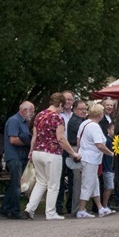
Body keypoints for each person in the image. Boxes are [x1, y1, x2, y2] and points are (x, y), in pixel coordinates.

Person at [25, 92, 81, 220]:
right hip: (52, 153)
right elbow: (60, 138)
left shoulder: (39, 115)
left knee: (41, 182)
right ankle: (50, 213)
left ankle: (30, 208)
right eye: (62, 106)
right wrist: (73, 153)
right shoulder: (57, 118)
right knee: (53, 184)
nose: (62, 109)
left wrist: (31, 151)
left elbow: (34, 136)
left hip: (37, 152)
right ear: (60, 104)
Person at [75, 104, 114, 218]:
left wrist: (79, 153)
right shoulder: (94, 126)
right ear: (100, 114)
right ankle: (81, 210)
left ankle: (100, 208)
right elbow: (99, 145)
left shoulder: (84, 123)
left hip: (86, 157)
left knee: (94, 183)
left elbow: (78, 141)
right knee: (88, 184)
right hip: (90, 158)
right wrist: (111, 153)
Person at [0, 101, 34, 220]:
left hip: (20, 156)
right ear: (25, 110)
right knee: (17, 185)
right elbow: (13, 140)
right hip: (14, 156)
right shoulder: (14, 121)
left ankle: (5, 208)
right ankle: (14, 210)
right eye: (32, 111)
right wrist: (28, 142)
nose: (33, 114)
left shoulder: (24, 122)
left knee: (14, 184)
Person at [64, 100, 89, 214]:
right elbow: (86, 132)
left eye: (85, 109)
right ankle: (76, 209)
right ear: (74, 110)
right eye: (80, 109)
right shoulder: (75, 122)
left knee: (81, 181)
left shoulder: (82, 120)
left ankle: (80, 207)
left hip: (80, 150)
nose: (83, 111)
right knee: (77, 181)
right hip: (75, 150)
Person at [56, 90, 75, 216]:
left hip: (73, 149)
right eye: (66, 99)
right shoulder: (58, 114)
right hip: (60, 149)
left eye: (70, 99)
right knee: (60, 179)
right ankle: (58, 206)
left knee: (73, 179)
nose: (68, 102)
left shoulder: (76, 114)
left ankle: (71, 206)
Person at [100, 97, 117, 210]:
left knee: (110, 185)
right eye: (107, 105)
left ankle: (107, 205)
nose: (109, 107)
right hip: (106, 161)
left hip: (111, 163)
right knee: (108, 185)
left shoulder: (112, 118)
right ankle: (103, 205)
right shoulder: (101, 120)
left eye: (111, 105)